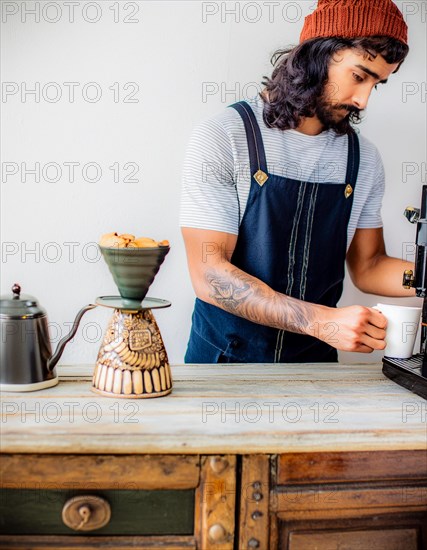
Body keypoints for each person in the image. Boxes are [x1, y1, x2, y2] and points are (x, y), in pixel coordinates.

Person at [180, 0, 416, 364]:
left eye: (377, 84)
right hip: (222, 364)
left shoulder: (364, 159)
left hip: (314, 368)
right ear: (317, 53)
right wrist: (321, 321)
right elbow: (209, 273)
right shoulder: (225, 135)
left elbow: (368, 267)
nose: (364, 100)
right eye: (359, 75)